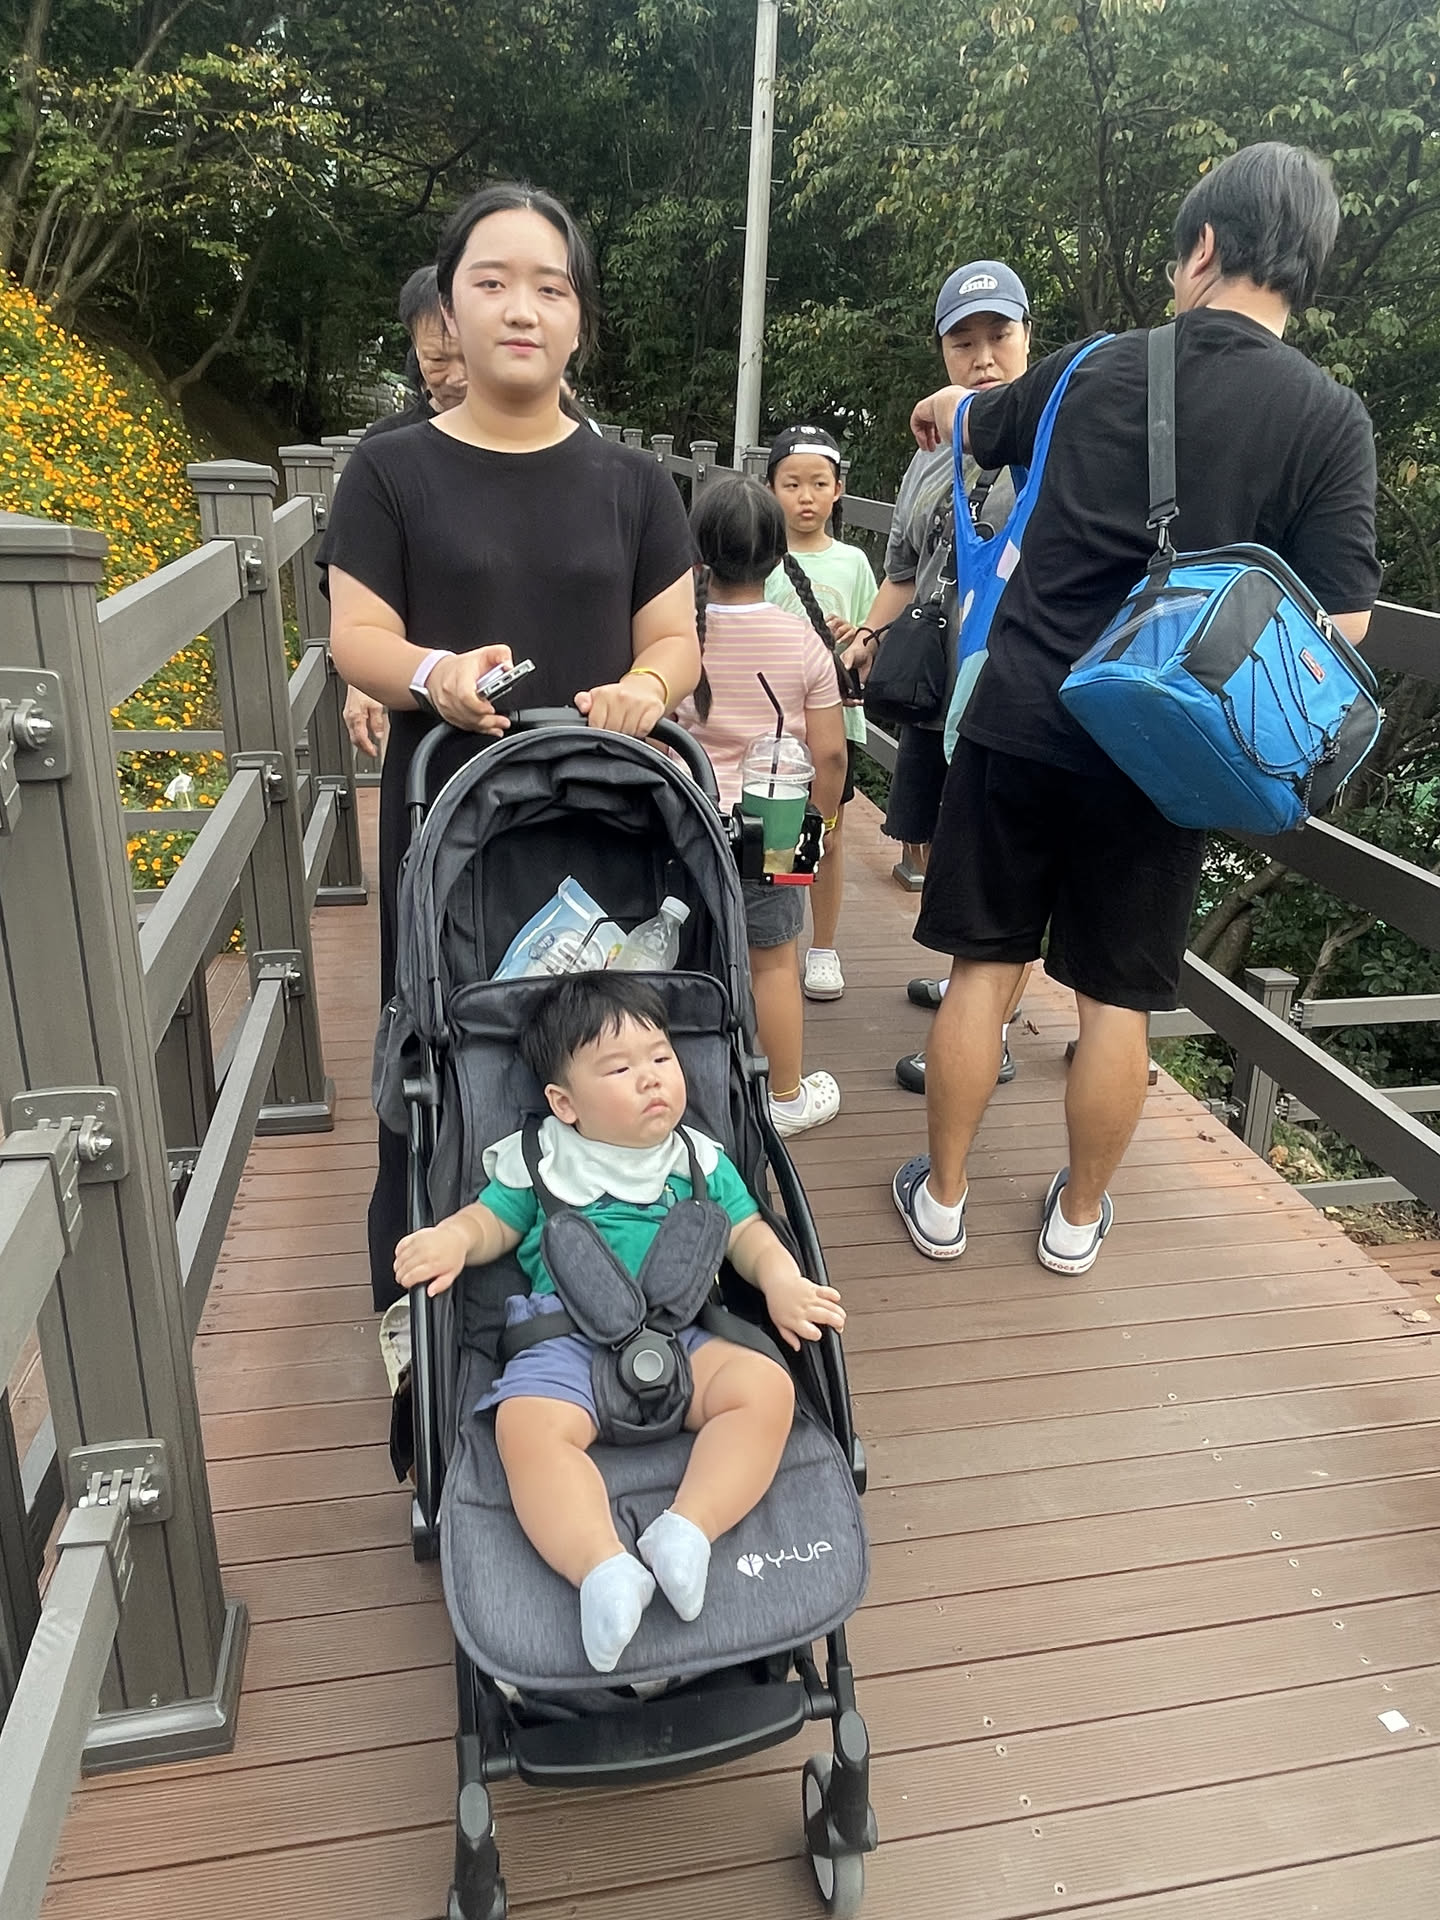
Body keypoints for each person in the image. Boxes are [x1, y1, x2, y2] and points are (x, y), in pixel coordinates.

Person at [892, 141, 1380, 1275]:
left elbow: (977, 420)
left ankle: (944, 1201)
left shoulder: (1094, 365)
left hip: (1025, 710)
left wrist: (943, 406)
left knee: (981, 967)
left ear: (1203, 247)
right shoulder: (1329, 420)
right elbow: (1345, 627)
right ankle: (1075, 1223)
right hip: (1166, 748)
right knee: (1114, 1002)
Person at [320, 182, 701, 1313]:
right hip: (448, 818)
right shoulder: (390, 471)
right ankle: (430, 1319)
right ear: (450, 308)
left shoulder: (635, 483)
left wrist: (643, 688)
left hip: (606, 820)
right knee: (443, 1042)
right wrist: (431, 673)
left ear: (579, 317)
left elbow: (675, 639)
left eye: (550, 287)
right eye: (491, 283)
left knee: (612, 1037)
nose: (521, 308)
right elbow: (356, 637)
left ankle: (629, 1286)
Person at [394, 974, 845, 1672]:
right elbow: (490, 1221)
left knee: (766, 1389)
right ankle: (602, 1568)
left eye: (662, 1057)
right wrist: (453, 1238)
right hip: (564, 1344)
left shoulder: (698, 1159)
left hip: (686, 1336)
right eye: (619, 1069)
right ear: (564, 1103)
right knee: (526, 1428)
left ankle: (687, 1530)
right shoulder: (540, 1159)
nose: (651, 1078)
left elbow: (749, 1233)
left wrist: (783, 1281)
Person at [841, 262, 1035, 1094]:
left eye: (999, 336)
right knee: (950, 852)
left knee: (1002, 869)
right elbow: (903, 570)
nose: (983, 357)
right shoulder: (928, 456)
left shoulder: (1053, 439)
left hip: (1014, 690)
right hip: (937, 691)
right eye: (964, 342)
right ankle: (967, 995)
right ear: (943, 351)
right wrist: (868, 638)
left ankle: (987, 1036)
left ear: (1027, 338)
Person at [675, 476, 849, 1136]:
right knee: (774, 961)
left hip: (687, 816)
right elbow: (830, 755)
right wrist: (820, 826)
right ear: (779, 555)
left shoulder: (676, 640)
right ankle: (784, 1097)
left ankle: (686, 1089)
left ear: (697, 554)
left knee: (685, 949)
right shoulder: (804, 641)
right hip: (777, 820)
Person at [762, 426, 877, 1003]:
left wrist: (857, 637)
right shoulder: (760, 560)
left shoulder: (854, 562)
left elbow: (874, 642)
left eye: (818, 484)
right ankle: (774, 941)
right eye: (791, 484)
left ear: (838, 490)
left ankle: (823, 947)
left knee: (827, 833)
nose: (805, 497)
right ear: (770, 489)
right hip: (772, 724)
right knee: (773, 834)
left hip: (833, 723)